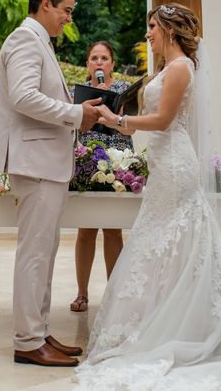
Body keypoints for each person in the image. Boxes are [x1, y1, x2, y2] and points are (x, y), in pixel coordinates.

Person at [74, 3, 221, 389]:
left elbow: (164, 120)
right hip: (164, 163)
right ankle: (168, 315)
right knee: (163, 241)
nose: (147, 34)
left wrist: (118, 121)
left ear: (168, 28)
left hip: (176, 164)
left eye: (151, 27)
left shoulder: (181, 68)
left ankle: (186, 324)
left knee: (173, 238)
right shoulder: (169, 69)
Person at [0, 0, 101, 367]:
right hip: (35, 164)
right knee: (34, 255)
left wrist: (78, 111)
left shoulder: (40, 42)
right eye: (66, 10)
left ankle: (37, 332)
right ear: (44, 4)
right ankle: (26, 341)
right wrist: (76, 114)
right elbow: (23, 97)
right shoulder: (25, 39)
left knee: (45, 252)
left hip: (47, 164)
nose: (69, 18)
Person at [69, 41, 133, 313]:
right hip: (86, 161)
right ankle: (82, 293)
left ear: (112, 64)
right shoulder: (77, 92)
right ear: (87, 64)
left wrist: (112, 107)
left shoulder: (124, 90)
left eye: (104, 58)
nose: (98, 62)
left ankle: (113, 294)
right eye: (93, 57)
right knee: (85, 230)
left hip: (118, 162)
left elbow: (132, 129)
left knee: (113, 229)